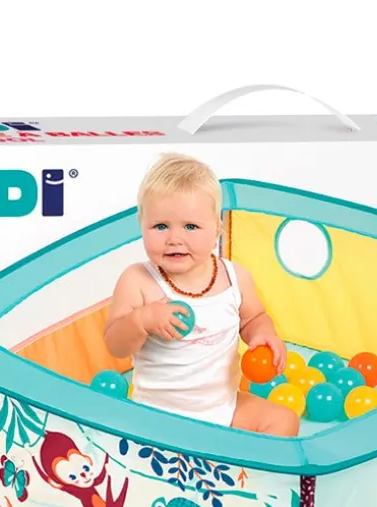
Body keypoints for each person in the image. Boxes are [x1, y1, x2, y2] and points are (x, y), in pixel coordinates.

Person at [103, 153, 299, 436]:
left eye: (191, 226)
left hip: (224, 408)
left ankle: (232, 461)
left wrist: (263, 333)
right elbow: (116, 346)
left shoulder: (235, 277)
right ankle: (197, 455)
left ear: (217, 229)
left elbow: (253, 317)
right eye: (160, 226)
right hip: (157, 416)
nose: (174, 238)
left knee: (284, 420)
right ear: (142, 226)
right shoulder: (138, 280)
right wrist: (141, 320)